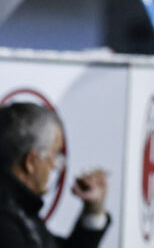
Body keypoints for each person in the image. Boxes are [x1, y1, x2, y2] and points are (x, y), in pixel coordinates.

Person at [0, 103, 109, 248]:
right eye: (54, 154)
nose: (56, 165)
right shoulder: (7, 219)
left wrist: (93, 211)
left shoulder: (21, 210)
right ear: (31, 162)